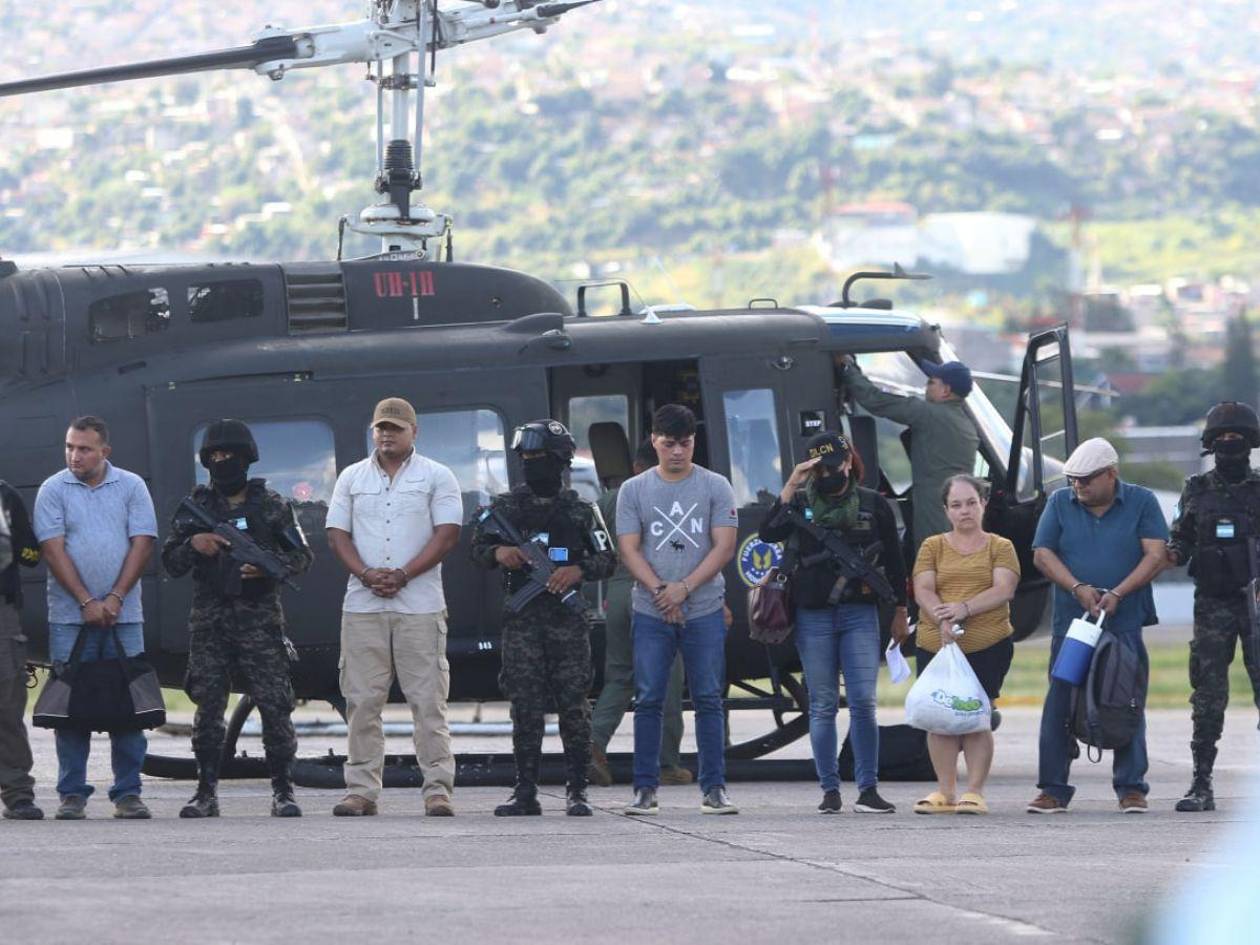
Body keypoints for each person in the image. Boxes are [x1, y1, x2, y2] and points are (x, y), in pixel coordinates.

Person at [162, 419, 314, 818]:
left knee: (275, 706)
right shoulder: (197, 506)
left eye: (228, 455)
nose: (221, 462)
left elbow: (301, 557)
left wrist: (266, 567)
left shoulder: (272, 506)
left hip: (260, 624)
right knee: (208, 708)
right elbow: (171, 562)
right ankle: (205, 791)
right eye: (214, 456)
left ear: (246, 459)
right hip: (210, 625)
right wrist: (196, 544)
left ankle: (283, 790)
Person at [325, 398, 463, 817]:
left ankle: (437, 789)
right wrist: (366, 574)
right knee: (362, 700)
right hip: (363, 606)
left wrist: (404, 573)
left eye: (396, 428)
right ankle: (361, 790)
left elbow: (448, 533)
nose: (387, 434)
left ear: (414, 432)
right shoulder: (351, 477)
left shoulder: (437, 476)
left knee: (427, 701)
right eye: (381, 428)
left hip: (419, 605)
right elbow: (336, 533)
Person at [471, 419, 616, 816]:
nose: (533, 465)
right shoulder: (505, 510)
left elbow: (608, 558)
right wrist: (500, 554)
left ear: (560, 461)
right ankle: (525, 791)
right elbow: (478, 549)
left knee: (574, 706)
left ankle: (578, 790)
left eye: (541, 458)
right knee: (525, 707)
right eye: (527, 458)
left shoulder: (581, 511)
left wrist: (578, 571)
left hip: (567, 624)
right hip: (523, 623)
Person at [758, 432, 908, 814]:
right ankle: (829, 790)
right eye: (819, 467)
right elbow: (767, 531)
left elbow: (895, 561)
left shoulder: (874, 504)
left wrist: (901, 611)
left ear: (848, 463)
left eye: (834, 465)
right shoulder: (801, 503)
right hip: (813, 616)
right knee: (823, 705)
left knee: (863, 703)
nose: (828, 473)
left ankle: (868, 788)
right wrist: (792, 483)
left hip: (860, 613)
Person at [1028, 437, 1168, 814]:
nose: (1079, 486)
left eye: (1087, 479)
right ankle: (1053, 788)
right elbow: (1042, 553)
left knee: (1126, 699)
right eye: (1073, 479)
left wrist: (1119, 593)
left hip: (1124, 624)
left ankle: (1131, 787)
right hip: (1074, 627)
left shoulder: (1142, 501)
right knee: (1060, 700)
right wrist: (1076, 587)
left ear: (1111, 474)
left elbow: (1156, 554)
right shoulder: (1059, 502)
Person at [33, 416, 157, 820]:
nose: (75, 456)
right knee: (72, 710)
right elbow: (53, 549)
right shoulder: (53, 489)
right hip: (70, 620)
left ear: (105, 451)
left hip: (125, 617)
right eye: (70, 447)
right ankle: (72, 793)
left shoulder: (132, 486)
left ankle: (128, 793)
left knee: (128, 706)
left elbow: (142, 542)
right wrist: (86, 600)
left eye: (84, 448)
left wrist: (116, 596)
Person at [617, 404, 739, 816]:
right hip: (651, 610)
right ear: (654, 440)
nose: (676, 453)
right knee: (649, 697)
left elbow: (724, 545)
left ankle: (715, 787)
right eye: (668, 444)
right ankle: (644, 788)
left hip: (704, 608)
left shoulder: (716, 485)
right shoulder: (633, 490)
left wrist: (684, 588)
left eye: (684, 444)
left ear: (694, 443)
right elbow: (629, 548)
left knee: (708, 697)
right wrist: (660, 592)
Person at [1166, 402, 1260, 812]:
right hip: (1212, 605)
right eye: (1222, 438)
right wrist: (1162, 554)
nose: (1229, 443)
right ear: (1210, 444)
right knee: (1207, 698)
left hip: (1256, 604)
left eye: (1236, 437)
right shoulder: (1196, 490)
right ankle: (1201, 784)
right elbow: (1181, 542)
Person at [910, 474, 1020, 815]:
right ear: (946, 510)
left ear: (983, 504)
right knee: (939, 718)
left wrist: (964, 609)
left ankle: (974, 791)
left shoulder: (1001, 546)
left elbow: (1004, 589)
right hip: (936, 644)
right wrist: (943, 618)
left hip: (987, 644)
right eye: (956, 505)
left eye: (971, 502)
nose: (965, 511)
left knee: (975, 716)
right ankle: (945, 792)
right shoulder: (932, 546)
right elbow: (923, 588)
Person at [588, 439, 692, 788]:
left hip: (619, 592)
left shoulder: (608, 500)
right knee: (668, 679)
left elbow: (593, 542)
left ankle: (594, 745)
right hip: (659, 594)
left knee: (618, 676)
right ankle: (666, 763)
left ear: (635, 466)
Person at [838, 355, 979, 552]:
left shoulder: (929, 414)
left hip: (934, 511)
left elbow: (876, 401)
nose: (926, 387)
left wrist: (847, 368)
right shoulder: (964, 422)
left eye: (931, 382)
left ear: (946, 391)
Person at [0, 481, 44, 820]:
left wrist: (13, 542)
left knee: (7, 708)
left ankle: (17, 794)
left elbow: (31, 554)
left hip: (3, 611)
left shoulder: (5, 496)